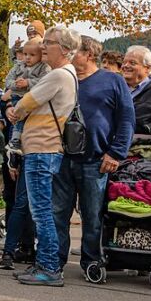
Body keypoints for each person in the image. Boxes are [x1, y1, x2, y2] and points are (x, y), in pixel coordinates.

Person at [4, 26, 80, 286]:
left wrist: (15, 111)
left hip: (41, 148)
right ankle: (45, 263)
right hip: (47, 148)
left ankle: (48, 267)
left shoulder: (58, 75)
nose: (43, 45)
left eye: (50, 42)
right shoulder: (68, 74)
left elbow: (27, 101)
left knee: (41, 212)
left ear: (66, 50)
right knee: (43, 210)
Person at [52, 36, 134, 278]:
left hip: (96, 159)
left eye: (73, 51)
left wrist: (116, 153)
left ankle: (91, 262)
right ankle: (55, 261)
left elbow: (127, 119)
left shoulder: (113, 80)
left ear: (88, 54)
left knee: (92, 215)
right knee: (58, 213)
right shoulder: (64, 78)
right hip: (61, 157)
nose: (67, 55)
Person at [120, 45, 151, 136]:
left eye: (132, 63)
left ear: (148, 68)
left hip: (142, 145)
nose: (126, 66)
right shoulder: (115, 88)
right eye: (124, 62)